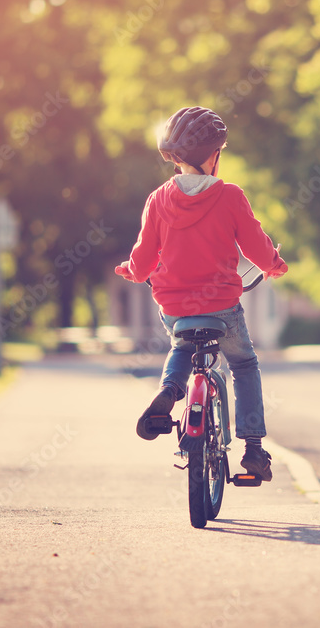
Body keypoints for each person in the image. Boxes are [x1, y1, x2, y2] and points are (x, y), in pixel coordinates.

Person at [115, 106, 287, 481]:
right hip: (222, 307)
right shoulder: (230, 196)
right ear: (214, 155)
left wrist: (131, 271)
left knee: (181, 346)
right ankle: (254, 448)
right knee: (243, 365)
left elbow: (143, 259)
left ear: (174, 158)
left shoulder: (158, 200)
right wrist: (274, 263)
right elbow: (257, 248)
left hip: (176, 308)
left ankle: (170, 390)